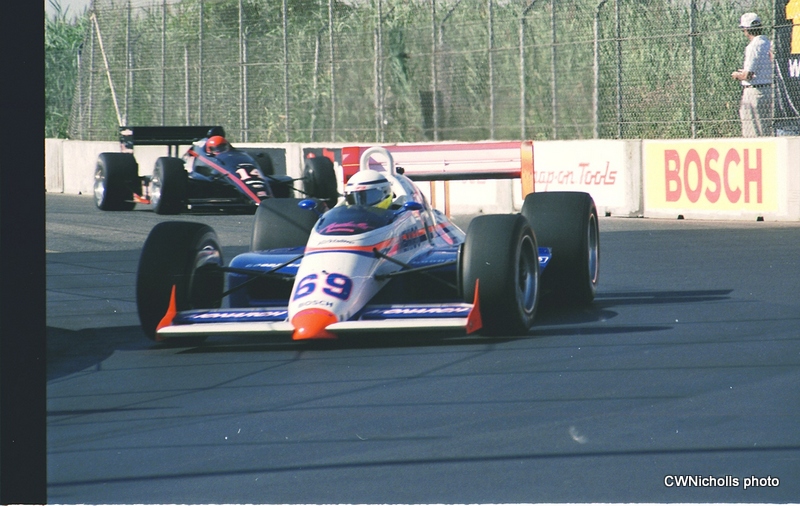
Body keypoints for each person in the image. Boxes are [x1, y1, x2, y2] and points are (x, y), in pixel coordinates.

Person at [731, 12, 773, 137]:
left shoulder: (753, 46)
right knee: (766, 129)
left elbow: (748, 75)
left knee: (753, 131)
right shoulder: (768, 43)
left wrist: (737, 75)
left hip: (754, 91)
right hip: (769, 89)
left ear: (746, 29)